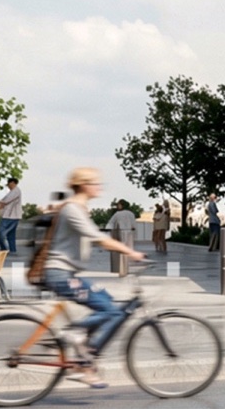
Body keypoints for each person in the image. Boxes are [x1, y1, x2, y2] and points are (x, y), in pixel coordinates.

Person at [42, 167, 146, 390]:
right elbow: (98, 238)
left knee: (109, 304)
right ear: (84, 185)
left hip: (67, 273)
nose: (99, 187)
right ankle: (75, 339)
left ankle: (84, 361)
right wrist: (131, 252)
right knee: (111, 312)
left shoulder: (79, 208)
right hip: (59, 274)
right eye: (95, 183)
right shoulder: (73, 209)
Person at [0, 177, 23, 256]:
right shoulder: (12, 192)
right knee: (11, 235)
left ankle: (4, 249)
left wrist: (0, 203)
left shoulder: (16, 191)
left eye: (8, 184)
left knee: (1, 233)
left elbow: (5, 201)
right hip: (10, 216)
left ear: (12, 183)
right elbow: (3, 202)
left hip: (11, 216)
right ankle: (12, 250)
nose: (8, 186)